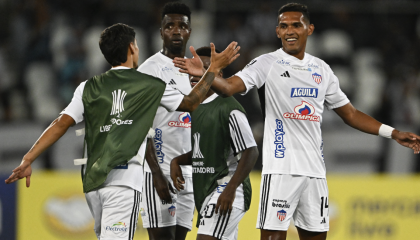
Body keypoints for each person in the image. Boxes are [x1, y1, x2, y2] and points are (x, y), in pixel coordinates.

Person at [173, 3, 420, 240]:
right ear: (277, 31)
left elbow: (351, 114)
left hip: (314, 173)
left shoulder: (322, 70)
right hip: (281, 171)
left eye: (296, 25)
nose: (290, 30)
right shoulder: (266, 63)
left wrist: (393, 132)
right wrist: (207, 73)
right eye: (284, 26)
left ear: (309, 29)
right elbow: (228, 87)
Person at [4, 23, 240, 240]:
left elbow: (60, 124)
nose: (138, 49)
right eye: (136, 44)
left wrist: (28, 158)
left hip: (92, 185)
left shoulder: (88, 87)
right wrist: (213, 70)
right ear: (131, 47)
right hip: (123, 182)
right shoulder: (148, 84)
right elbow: (190, 103)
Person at [170, 46, 259, 240]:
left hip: (225, 189)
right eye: (194, 67)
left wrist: (230, 189)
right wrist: (177, 161)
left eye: (204, 68)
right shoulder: (196, 107)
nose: (196, 73)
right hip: (207, 190)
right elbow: (205, 152)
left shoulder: (229, 107)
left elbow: (250, 151)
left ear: (218, 74)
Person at [136, 2, 195, 240]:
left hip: (188, 173)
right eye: (170, 25)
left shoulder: (194, 70)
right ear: (161, 32)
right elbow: (141, 126)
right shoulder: (150, 70)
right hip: (157, 171)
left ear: (190, 31)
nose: (176, 30)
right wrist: (157, 174)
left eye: (182, 26)